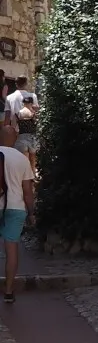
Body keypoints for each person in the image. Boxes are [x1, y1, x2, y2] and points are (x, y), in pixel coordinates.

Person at [0, 124, 35, 304]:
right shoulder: (22, 159)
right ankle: (8, 290)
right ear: (15, 139)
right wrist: (31, 213)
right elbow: (27, 191)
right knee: (11, 249)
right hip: (15, 207)